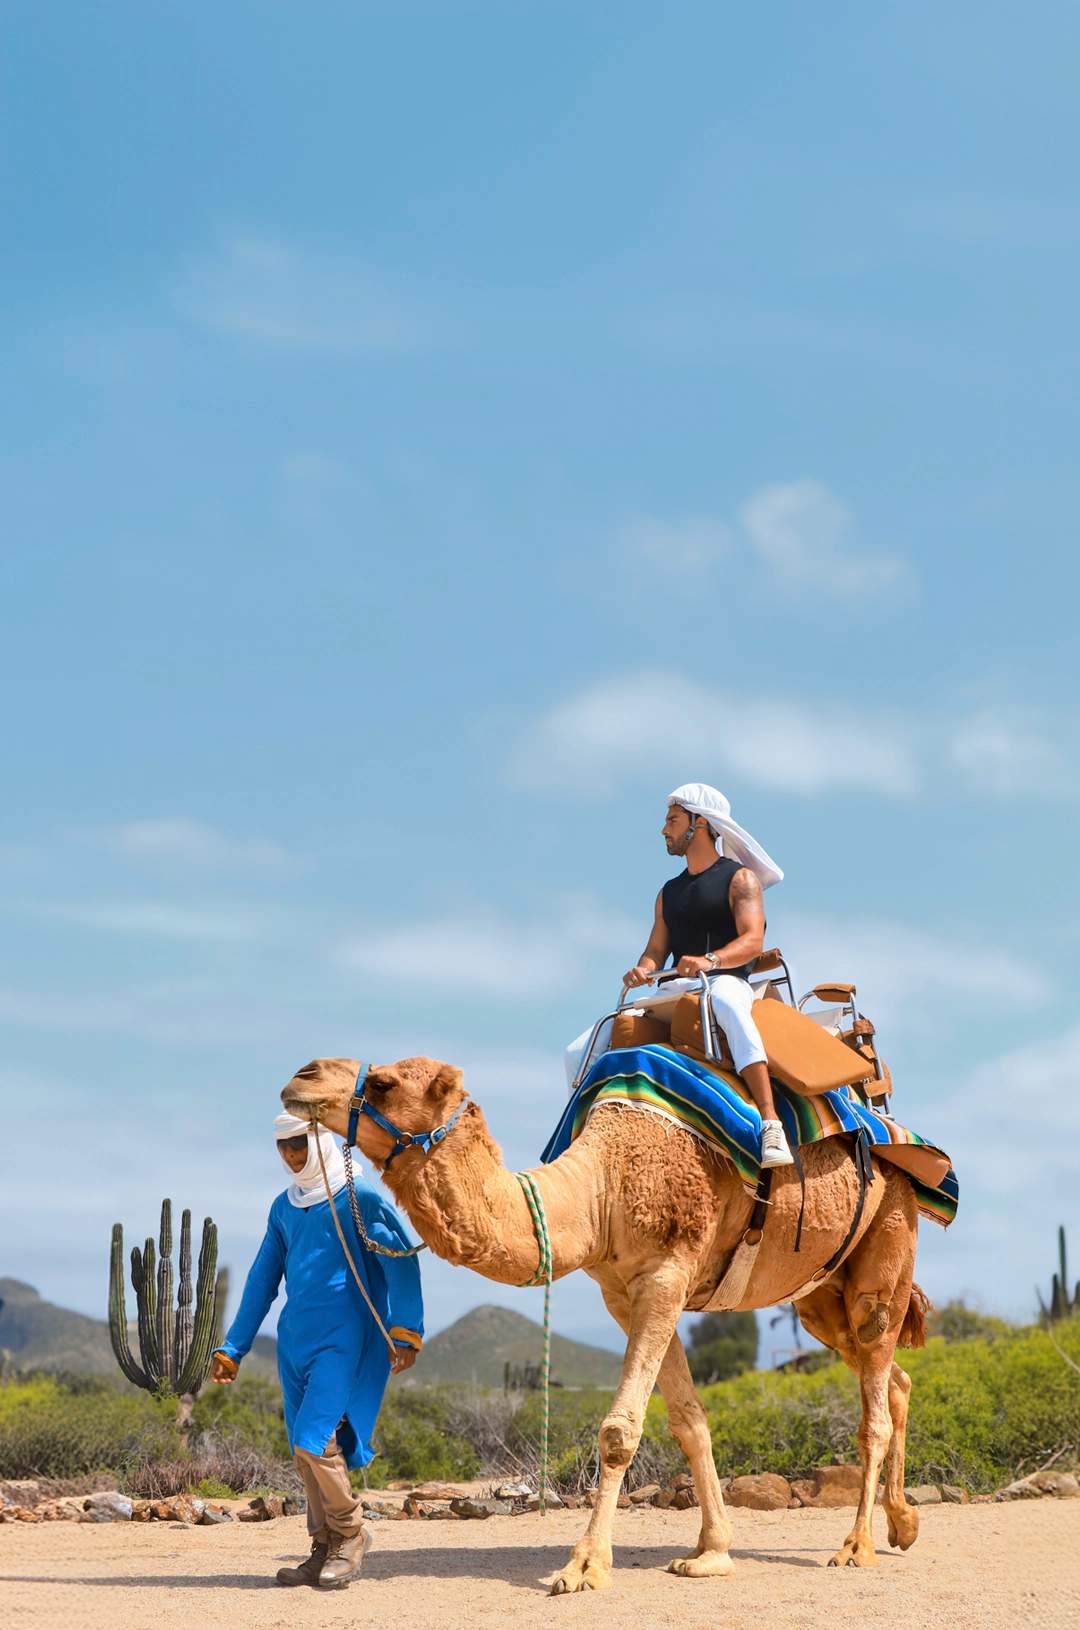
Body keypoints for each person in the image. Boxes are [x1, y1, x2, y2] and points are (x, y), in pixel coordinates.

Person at [210, 1112, 423, 1589]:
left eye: (299, 1144)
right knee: (303, 1452)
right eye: (283, 1146)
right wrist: (234, 1347)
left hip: (346, 1338)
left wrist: (406, 1328)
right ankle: (321, 1546)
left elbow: (401, 1262)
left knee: (315, 1438)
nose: (290, 1155)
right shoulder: (284, 1208)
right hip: (295, 1343)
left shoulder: (360, 1199)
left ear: (323, 1140)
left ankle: (350, 1534)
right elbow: (262, 1280)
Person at [565, 782, 794, 1168]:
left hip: (724, 981)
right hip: (674, 988)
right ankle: (580, 1134)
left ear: (699, 823)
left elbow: (753, 940)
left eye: (672, 820)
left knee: (726, 1004)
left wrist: (711, 960)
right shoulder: (667, 893)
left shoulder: (740, 880)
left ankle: (770, 1122)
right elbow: (656, 950)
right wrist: (644, 969)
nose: (664, 830)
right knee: (578, 1050)